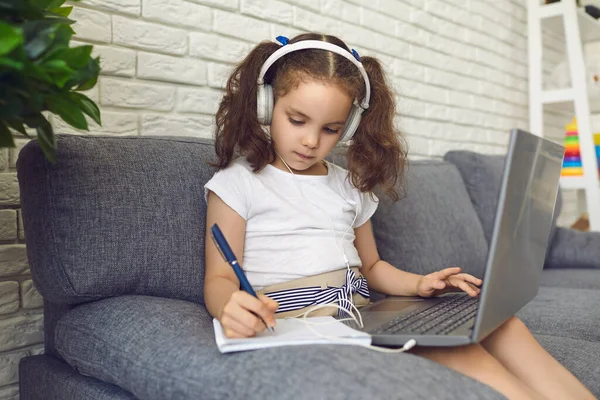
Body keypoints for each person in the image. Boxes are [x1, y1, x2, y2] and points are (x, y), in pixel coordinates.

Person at [203, 32, 594, 400]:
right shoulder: (239, 183)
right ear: (267, 106)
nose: (311, 141)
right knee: (464, 354)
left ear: (351, 125)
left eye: (331, 129)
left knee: (504, 325)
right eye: (297, 120)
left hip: (363, 315)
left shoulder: (347, 185)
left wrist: (419, 284)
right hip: (300, 322)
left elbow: (371, 266)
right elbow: (220, 278)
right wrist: (228, 307)